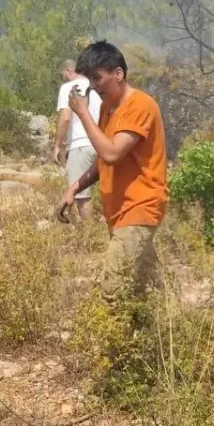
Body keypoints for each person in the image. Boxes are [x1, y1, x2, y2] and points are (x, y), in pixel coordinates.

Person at [59, 41, 168, 300]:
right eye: (91, 81)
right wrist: (74, 187)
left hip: (139, 207)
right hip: (119, 212)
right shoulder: (109, 109)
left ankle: (118, 338)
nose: (95, 87)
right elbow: (102, 160)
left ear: (118, 74)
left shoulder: (140, 105)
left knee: (113, 291)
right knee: (147, 292)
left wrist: (83, 113)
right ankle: (163, 335)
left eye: (98, 78)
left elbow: (111, 152)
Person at [53, 58, 103, 221]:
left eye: (63, 74)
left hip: (80, 144)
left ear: (68, 71)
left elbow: (66, 118)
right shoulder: (95, 86)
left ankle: (89, 236)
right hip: (100, 143)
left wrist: (57, 146)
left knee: (81, 195)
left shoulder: (68, 87)